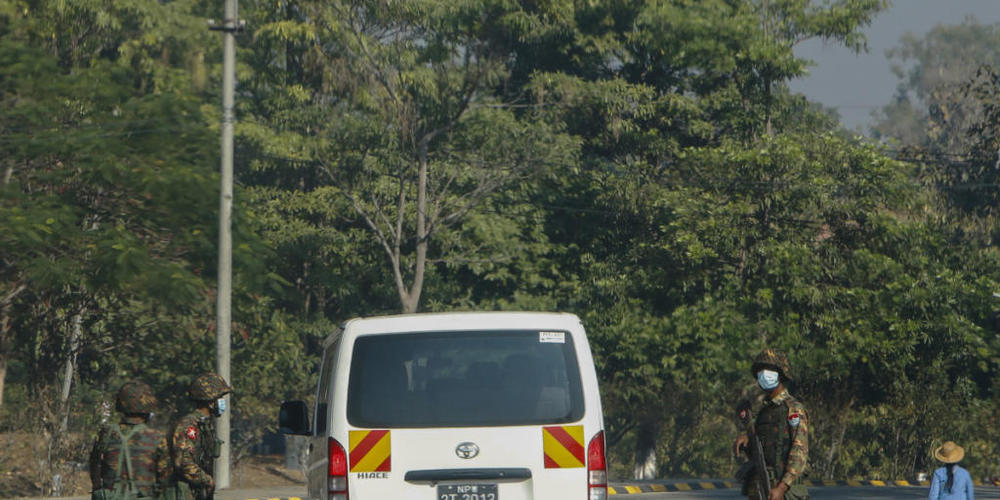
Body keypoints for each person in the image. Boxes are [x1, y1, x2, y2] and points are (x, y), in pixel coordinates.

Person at [732, 349, 810, 500]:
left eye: (770, 369)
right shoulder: (764, 411)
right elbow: (765, 448)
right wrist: (747, 440)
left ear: (781, 374)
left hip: (784, 491)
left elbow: (799, 452)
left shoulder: (793, 408)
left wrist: (782, 487)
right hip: (761, 487)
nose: (764, 374)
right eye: (760, 370)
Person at [88, 380, 170, 499]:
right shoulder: (157, 437)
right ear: (149, 407)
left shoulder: (106, 434)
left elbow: (95, 468)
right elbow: (165, 479)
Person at [165, 372, 232, 500]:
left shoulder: (204, 424)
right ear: (210, 402)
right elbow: (184, 462)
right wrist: (207, 481)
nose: (222, 402)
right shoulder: (189, 425)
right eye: (220, 398)